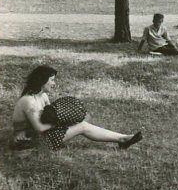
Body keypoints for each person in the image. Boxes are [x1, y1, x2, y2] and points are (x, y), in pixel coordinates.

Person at [11, 65, 142, 151]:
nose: (54, 83)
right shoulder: (28, 101)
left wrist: (66, 119)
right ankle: (123, 139)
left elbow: (49, 116)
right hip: (29, 142)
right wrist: (62, 121)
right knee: (82, 126)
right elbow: (39, 128)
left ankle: (122, 139)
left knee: (81, 122)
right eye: (51, 80)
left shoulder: (43, 96)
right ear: (42, 81)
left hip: (40, 135)